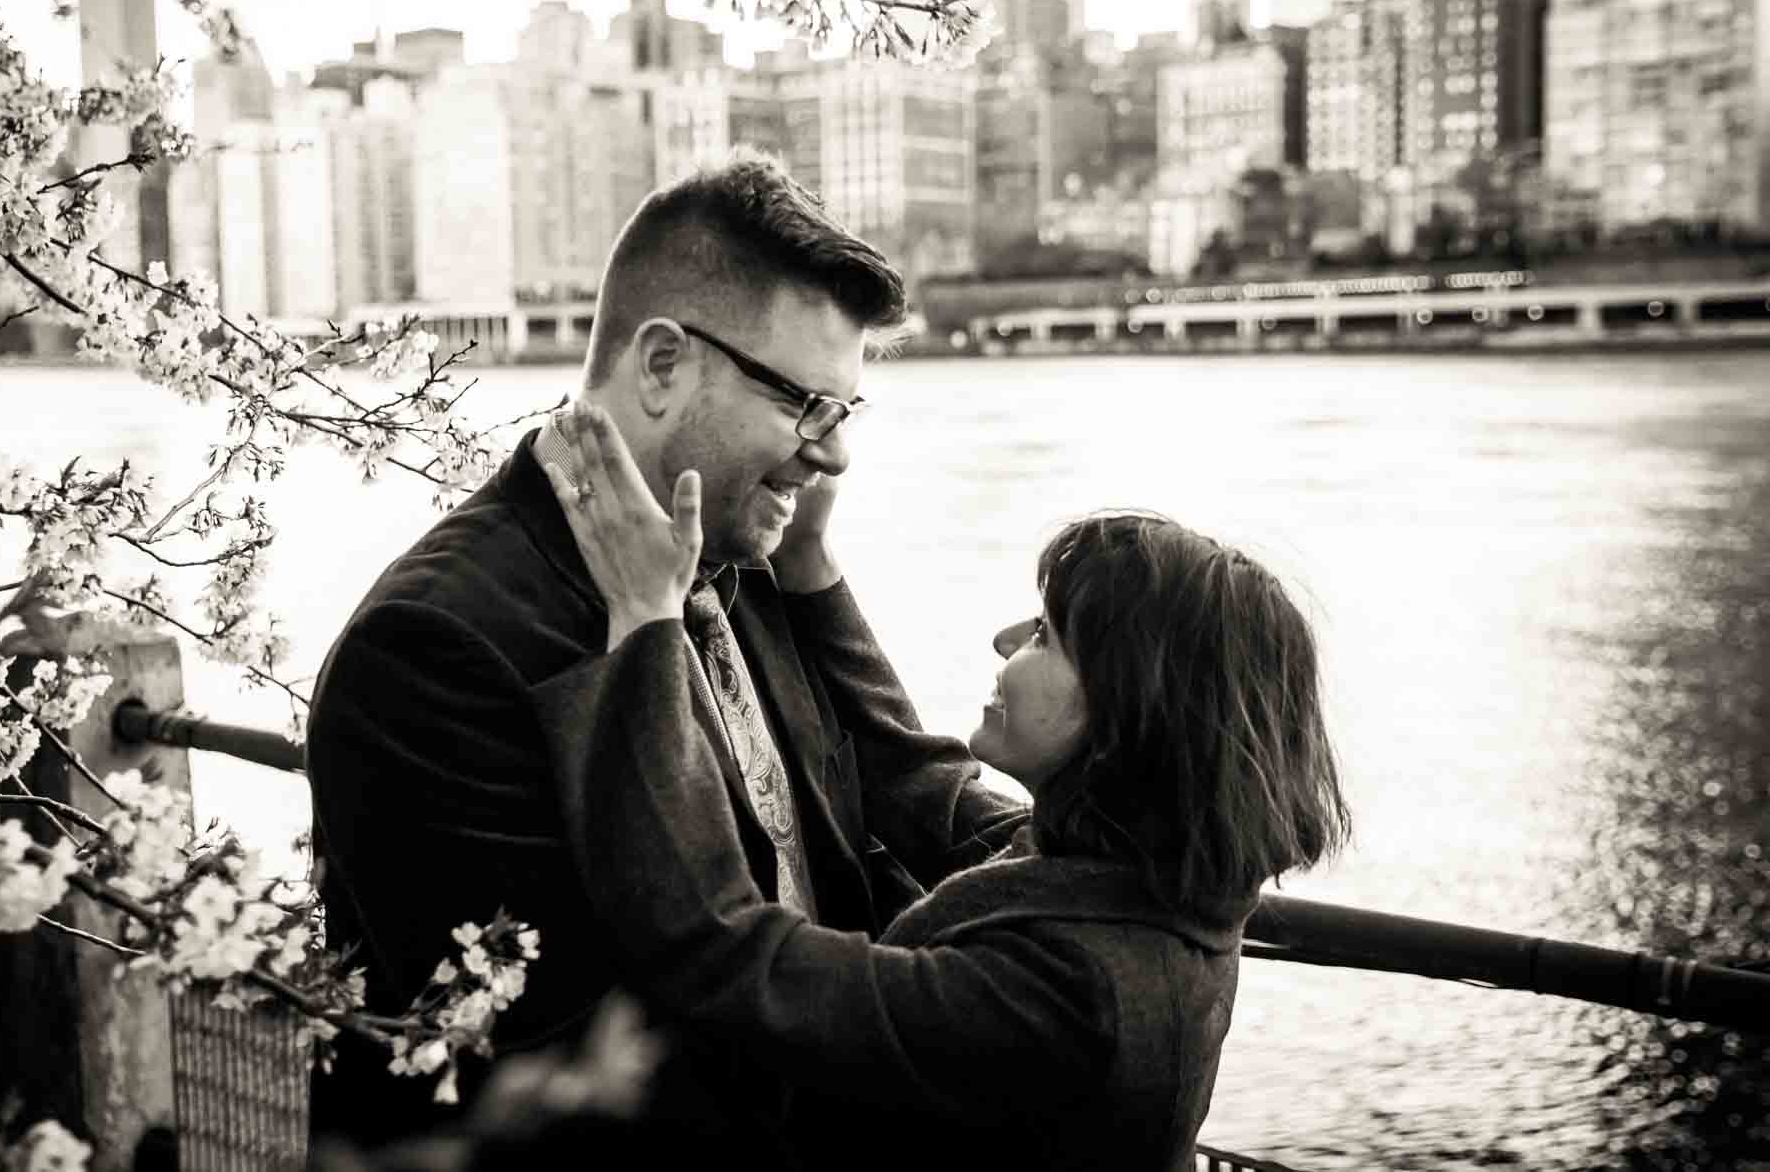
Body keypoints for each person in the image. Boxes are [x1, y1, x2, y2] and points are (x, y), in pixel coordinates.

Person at [304, 154, 1027, 1149]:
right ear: (659, 365)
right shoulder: (435, 648)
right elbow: (556, 1061)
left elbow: (848, 842)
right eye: (801, 403)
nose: (834, 453)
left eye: (843, 410)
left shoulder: (747, 562)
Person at [532, 401, 1353, 1171]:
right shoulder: (1140, 882)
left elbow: (731, 959)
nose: (1004, 642)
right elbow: (916, 775)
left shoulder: (1064, 996)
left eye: (1044, 635)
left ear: (1127, 715)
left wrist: (645, 627)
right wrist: (808, 564)